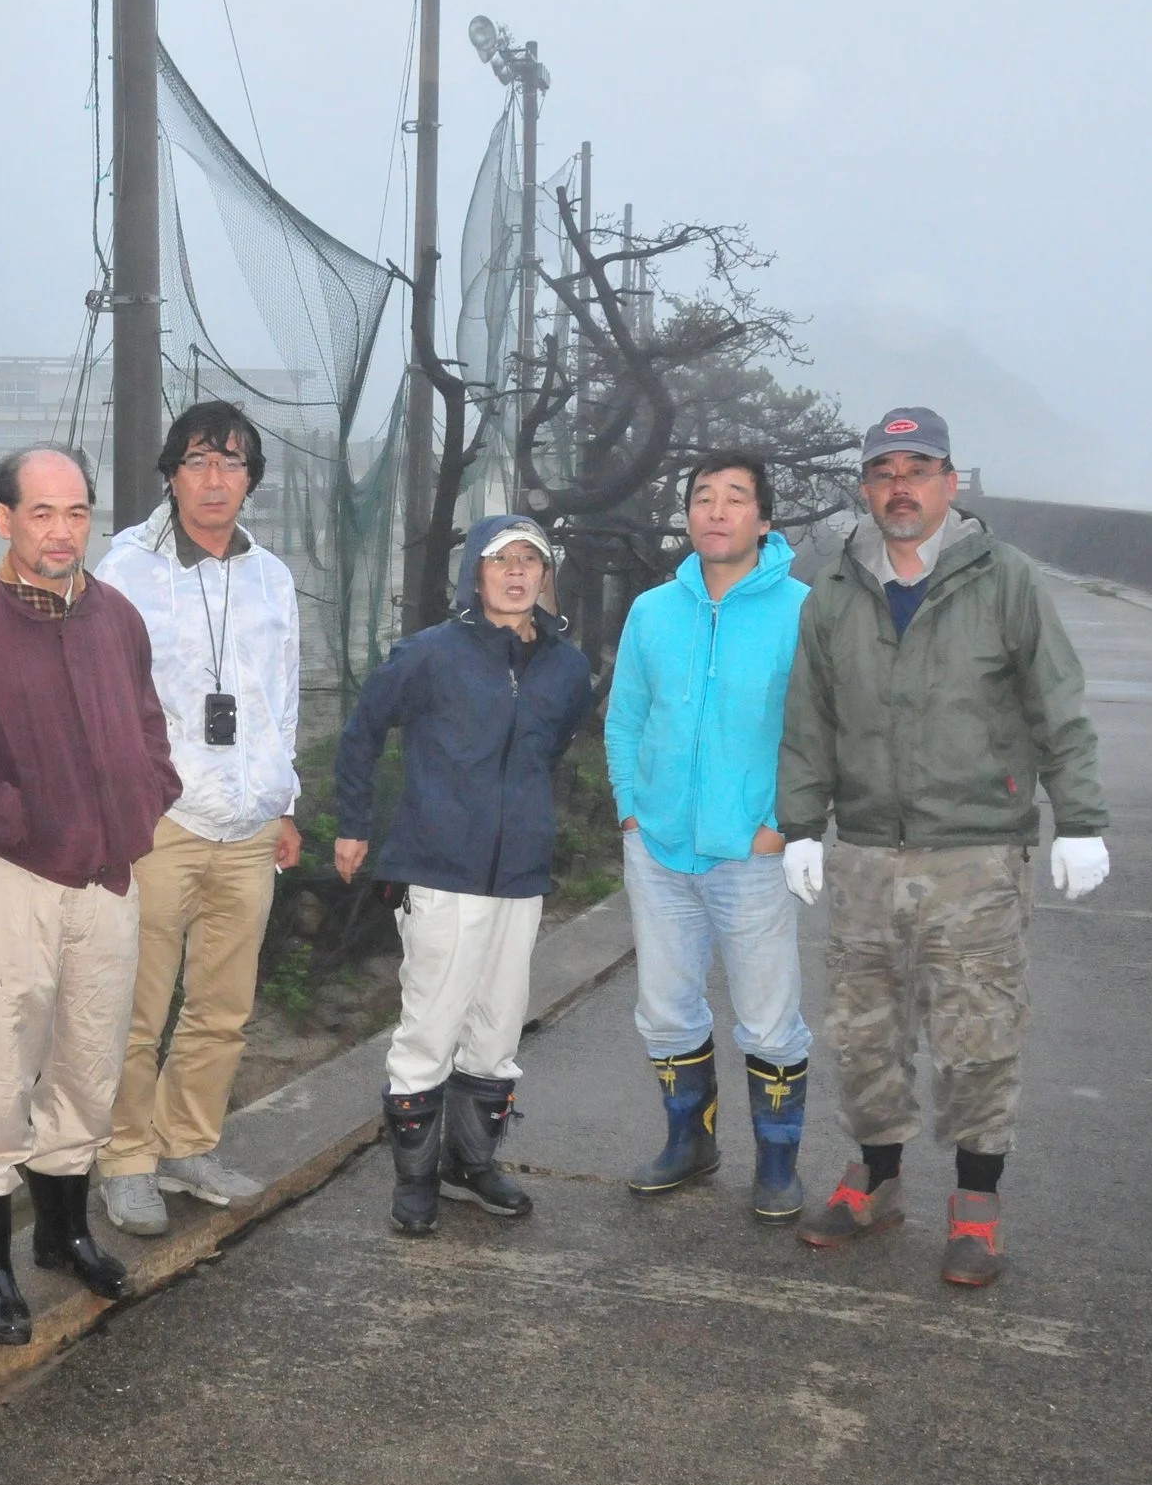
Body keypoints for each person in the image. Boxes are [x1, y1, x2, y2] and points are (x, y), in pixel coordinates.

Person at [778, 408, 1109, 1288]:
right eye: (885, 472)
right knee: (864, 1030)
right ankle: (877, 1179)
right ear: (865, 486)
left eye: (919, 470)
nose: (901, 487)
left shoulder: (1006, 580)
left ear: (950, 483)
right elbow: (809, 722)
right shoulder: (835, 589)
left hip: (975, 852)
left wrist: (1079, 819)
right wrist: (804, 827)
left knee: (978, 1031)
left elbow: (1058, 706)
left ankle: (976, 1202)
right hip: (863, 854)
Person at [0, 444, 182, 1344]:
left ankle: (65, 1234)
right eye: (42, 512)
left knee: (88, 1061)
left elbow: (149, 721)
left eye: (76, 512)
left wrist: (147, 794)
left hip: (110, 879)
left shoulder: (116, 618)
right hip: (11, 880)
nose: (62, 531)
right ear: (4, 519)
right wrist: (33, 823)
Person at [332, 516, 594, 1236]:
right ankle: (413, 1182)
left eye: (529, 560)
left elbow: (554, 742)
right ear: (474, 574)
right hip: (441, 868)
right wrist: (354, 822)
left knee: (498, 1029)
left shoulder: (566, 666)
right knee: (431, 1026)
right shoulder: (430, 655)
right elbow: (362, 731)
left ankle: (469, 1165)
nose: (515, 572)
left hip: (521, 872)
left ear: (545, 575)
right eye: (499, 559)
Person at [91, 401, 302, 1237]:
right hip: (161, 822)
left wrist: (286, 804)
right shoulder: (124, 572)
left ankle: (189, 1143)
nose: (216, 480)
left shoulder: (272, 576)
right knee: (136, 1009)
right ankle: (127, 1159)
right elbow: (107, 704)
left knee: (222, 1003)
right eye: (200, 462)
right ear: (172, 473)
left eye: (234, 464)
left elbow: (280, 699)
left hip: (249, 824)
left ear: (251, 479)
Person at [604, 452, 814, 1222]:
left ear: (764, 520)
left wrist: (782, 826)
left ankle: (778, 1163)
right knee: (665, 1010)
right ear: (688, 515)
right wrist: (631, 807)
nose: (716, 512)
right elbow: (625, 717)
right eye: (702, 498)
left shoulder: (802, 610)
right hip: (657, 848)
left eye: (735, 499)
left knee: (768, 1018)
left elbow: (819, 734)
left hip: (752, 855)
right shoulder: (654, 611)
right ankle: (689, 1142)